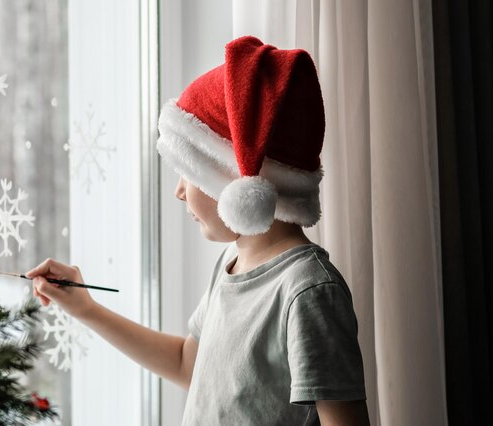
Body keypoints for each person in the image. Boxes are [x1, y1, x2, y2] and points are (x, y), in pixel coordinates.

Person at [28, 35, 370, 425]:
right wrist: (86, 309)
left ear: (238, 184)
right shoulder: (232, 263)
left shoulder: (307, 292)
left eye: (188, 173)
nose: (177, 191)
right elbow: (185, 363)